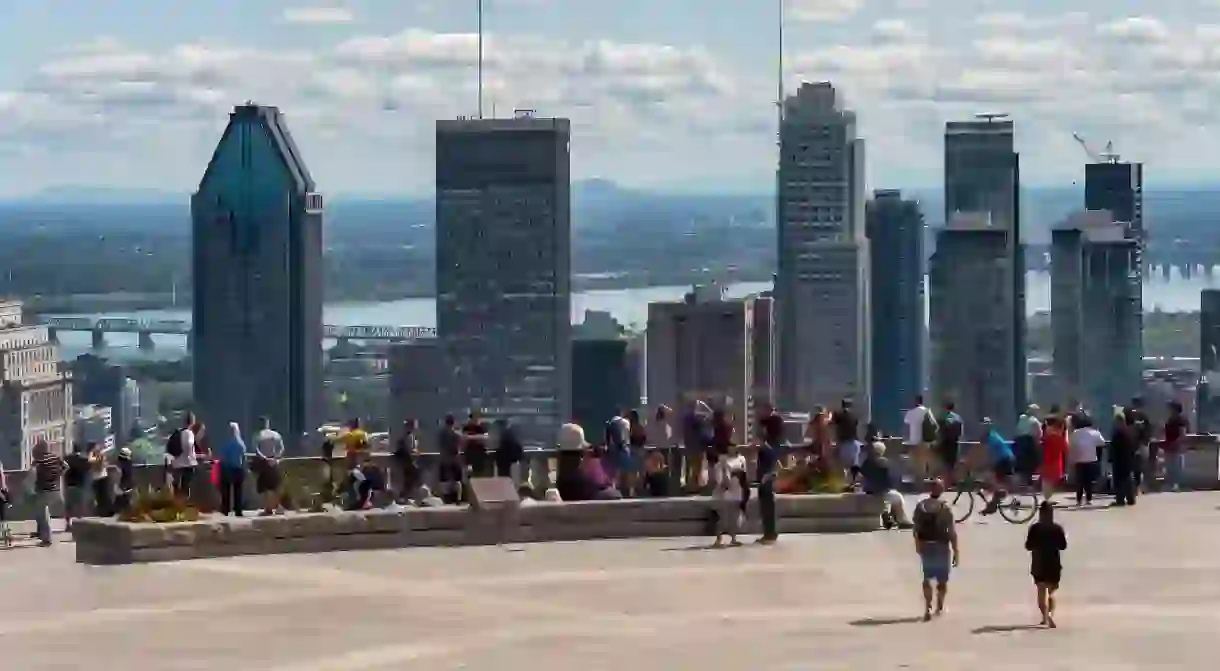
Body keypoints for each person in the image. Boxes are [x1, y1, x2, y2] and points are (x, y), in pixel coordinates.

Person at [911, 479, 959, 621]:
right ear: (942, 490)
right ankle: (939, 605)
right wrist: (956, 550)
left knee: (927, 578)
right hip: (942, 546)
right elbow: (951, 531)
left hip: (926, 545)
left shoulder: (921, 506)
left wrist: (917, 545)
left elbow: (916, 529)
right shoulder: (945, 508)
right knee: (942, 580)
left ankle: (927, 606)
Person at [1025, 501, 1067, 628]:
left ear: (1040, 514)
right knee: (1051, 593)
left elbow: (1028, 546)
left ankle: (1045, 617)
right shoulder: (1057, 528)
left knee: (1041, 592)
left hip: (1039, 564)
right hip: (1053, 564)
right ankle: (1049, 615)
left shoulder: (1035, 528)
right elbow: (1063, 546)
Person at [859, 441, 912, 529]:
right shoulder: (883, 462)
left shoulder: (867, 462)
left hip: (868, 490)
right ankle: (900, 519)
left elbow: (863, 475)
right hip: (880, 490)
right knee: (898, 497)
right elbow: (890, 478)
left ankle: (889, 516)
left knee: (890, 497)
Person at [710, 442, 749, 547]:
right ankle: (718, 540)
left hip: (737, 492)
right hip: (723, 495)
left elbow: (745, 476)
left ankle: (733, 538)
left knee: (734, 518)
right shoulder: (720, 464)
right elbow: (722, 483)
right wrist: (725, 469)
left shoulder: (741, 459)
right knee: (723, 518)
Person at [756, 403, 782, 544]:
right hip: (766, 469)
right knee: (766, 501)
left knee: (767, 502)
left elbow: (770, 451)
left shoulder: (771, 441)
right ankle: (769, 532)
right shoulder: (770, 437)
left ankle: (770, 533)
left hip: (767, 471)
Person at [31, 440, 66, 546]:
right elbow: (66, 467)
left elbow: (31, 474)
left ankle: (47, 539)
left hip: (44, 490)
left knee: (42, 515)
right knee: (43, 513)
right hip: (55, 489)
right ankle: (43, 535)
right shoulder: (55, 457)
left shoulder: (39, 460)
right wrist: (57, 475)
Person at [980, 418, 1015, 515]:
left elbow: (989, 454)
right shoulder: (988, 436)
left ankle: (999, 496)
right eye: (983, 426)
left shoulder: (991, 437)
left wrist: (984, 464)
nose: (984, 428)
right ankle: (992, 506)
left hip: (1005, 460)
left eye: (986, 425)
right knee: (995, 481)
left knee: (995, 481)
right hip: (1002, 460)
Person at [253, 417, 286, 516]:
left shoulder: (258, 435)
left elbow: (256, 449)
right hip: (275, 462)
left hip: (264, 463)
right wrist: (275, 458)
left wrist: (265, 458)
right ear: (268, 424)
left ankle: (268, 508)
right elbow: (282, 448)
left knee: (265, 487)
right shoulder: (276, 435)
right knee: (276, 486)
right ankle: (279, 506)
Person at [1068, 416, 1104, 505]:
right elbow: (1102, 442)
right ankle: (1089, 499)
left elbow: (1071, 444)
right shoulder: (1094, 433)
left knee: (1079, 481)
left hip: (1079, 460)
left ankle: (1079, 499)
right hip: (1091, 459)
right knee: (1088, 481)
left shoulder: (1075, 433)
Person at [903, 395, 937, 484]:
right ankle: (923, 480)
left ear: (915, 401)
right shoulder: (927, 411)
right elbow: (934, 425)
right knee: (923, 461)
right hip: (925, 440)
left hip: (913, 441)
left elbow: (906, 423)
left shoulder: (910, 412)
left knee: (914, 462)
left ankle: (917, 480)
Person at [216, 422, 247, 517]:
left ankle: (226, 510)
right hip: (238, 469)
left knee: (226, 491)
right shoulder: (241, 443)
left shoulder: (225, 443)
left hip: (227, 469)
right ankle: (238, 510)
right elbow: (244, 457)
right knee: (238, 491)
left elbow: (222, 457)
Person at [1109, 407, 1138, 507]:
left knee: (1120, 480)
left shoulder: (1118, 434)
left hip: (1119, 460)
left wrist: (1111, 458)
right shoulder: (1129, 432)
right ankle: (1131, 499)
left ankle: (1120, 499)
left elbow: (1114, 448)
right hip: (1128, 459)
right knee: (1128, 479)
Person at [167, 413, 198, 500]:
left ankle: (176, 505)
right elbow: (189, 446)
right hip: (188, 463)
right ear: (192, 422)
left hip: (177, 463)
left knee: (177, 486)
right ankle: (183, 504)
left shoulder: (179, 433)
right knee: (186, 486)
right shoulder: (189, 433)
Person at [1162, 400, 1189, 491]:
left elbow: (1182, 434)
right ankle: (1170, 484)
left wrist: (1176, 443)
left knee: (1177, 467)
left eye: (1171, 408)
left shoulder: (1181, 420)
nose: (1169, 410)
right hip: (1169, 447)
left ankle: (1176, 485)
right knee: (1169, 467)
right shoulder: (1170, 420)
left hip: (1177, 447)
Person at [1040, 414, 1068, 502]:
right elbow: (1065, 448)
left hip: (1046, 462)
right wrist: (1065, 435)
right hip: (1053, 463)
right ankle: (1047, 500)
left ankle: (1047, 499)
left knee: (1047, 482)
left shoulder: (1045, 437)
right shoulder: (1055, 437)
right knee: (1048, 482)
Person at [437, 415, 463, 504]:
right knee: (457, 481)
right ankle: (458, 499)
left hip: (445, 460)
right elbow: (459, 448)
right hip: (454, 459)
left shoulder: (442, 435)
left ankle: (445, 499)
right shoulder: (457, 435)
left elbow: (441, 448)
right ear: (453, 423)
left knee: (444, 481)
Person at [832, 398, 861, 481]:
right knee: (854, 463)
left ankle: (842, 481)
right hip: (854, 442)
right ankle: (854, 480)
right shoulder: (855, 415)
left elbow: (833, 423)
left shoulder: (839, 414)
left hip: (843, 442)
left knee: (841, 463)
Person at [1015, 405, 1044, 486]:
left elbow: (1018, 429)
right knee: (1033, 463)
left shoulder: (1021, 418)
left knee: (1022, 463)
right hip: (1029, 443)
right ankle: (1031, 482)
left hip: (1019, 442)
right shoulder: (1034, 421)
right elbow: (1039, 433)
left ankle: (1022, 482)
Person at [63, 444, 90, 527]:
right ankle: (80, 524)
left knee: (69, 507)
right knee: (80, 506)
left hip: (69, 485)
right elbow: (88, 470)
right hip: (80, 486)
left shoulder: (67, 459)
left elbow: (63, 469)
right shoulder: (84, 460)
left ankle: (68, 524)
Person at [393, 419, 421, 501]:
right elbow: (410, 449)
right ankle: (405, 495)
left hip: (405, 461)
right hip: (408, 461)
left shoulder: (406, 436)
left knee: (408, 479)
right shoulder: (409, 436)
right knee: (413, 476)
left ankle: (405, 495)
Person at [936, 402, 964, 482]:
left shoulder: (942, 417)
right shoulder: (958, 418)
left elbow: (938, 430)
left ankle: (943, 480)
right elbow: (961, 432)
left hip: (944, 443)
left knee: (943, 462)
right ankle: (950, 480)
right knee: (952, 463)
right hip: (955, 442)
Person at [494, 418, 524, 486]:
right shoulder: (510, 433)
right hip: (510, 459)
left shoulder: (503, 434)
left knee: (503, 478)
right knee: (509, 478)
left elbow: (500, 447)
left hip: (504, 460)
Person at [88, 442, 112, 518]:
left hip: (101, 477)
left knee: (103, 495)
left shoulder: (100, 455)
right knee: (100, 496)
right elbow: (91, 460)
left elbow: (103, 463)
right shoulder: (95, 455)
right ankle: (103, 511)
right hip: (98, 477)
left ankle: (105, 511)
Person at [114, 447, 135, 515]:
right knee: (125, 500)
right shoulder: (127, 464)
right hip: (126, 484)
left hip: (124, 484)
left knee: (122, 500)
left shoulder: (121, 464)